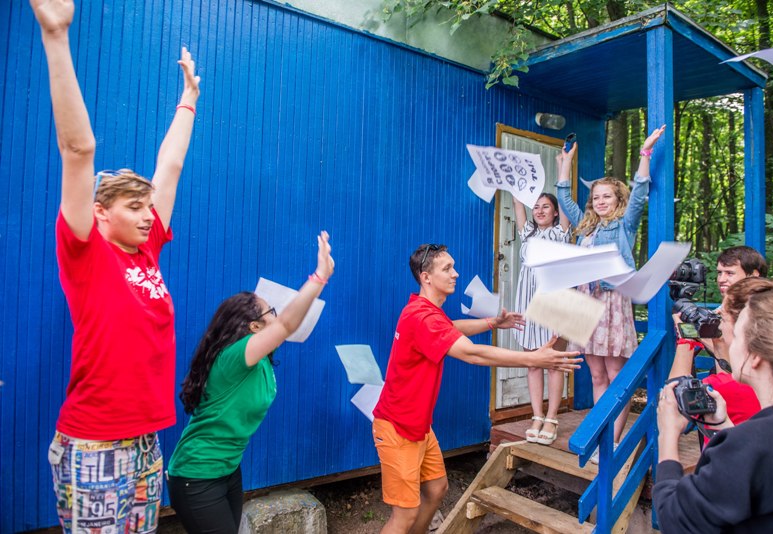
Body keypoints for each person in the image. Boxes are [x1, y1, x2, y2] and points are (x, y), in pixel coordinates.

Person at [32, 0, 200, 530]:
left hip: (147, 439)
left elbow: (170, 166)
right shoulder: (86, 252)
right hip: (95, 442)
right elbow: (78, 149)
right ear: (101, 213)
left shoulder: (147, 250)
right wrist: (57, 36)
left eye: (150, 207)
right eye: (135, 207)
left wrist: (189, 100)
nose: (149, 215)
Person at [372, 244, 583, 534]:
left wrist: (491, 323)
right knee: (404, 515)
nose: (456, 274)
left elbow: (451, 327)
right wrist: (534, 358)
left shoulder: (424, 311)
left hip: (418, 425)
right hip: (398, 429)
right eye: (447, 268)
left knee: (436, 489)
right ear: (426, 277)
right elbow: (472, 354)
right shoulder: (422, 317)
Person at [167, 232, 334, 533]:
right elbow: (287, 324)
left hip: (229, 470)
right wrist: (319, 277)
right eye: (272, 312)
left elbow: (286, 327)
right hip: (197, 475)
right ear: (254, 327)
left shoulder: (262, 360)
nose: (278, 315)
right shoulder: (235, 356)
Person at [654, 279, 773, 532]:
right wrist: (723, 426)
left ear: (755, 356)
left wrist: (667, 436)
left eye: (737, 335)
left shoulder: (749, 443)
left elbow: (676, 519)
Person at [556, 125, 666, 459]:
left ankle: (613, 443)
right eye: (596, 197)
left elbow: (641, 190)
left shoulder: (624, 225)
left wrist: (646, 151)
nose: (600, 201)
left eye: (607, 196)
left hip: (612, 302)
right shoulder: (586, 225)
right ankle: (602, 435)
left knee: (616, 374)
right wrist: (565, 164)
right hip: (585, 303)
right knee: (597, 374)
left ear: (618, 199)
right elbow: (564, 198)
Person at [668, 276, 773, 443]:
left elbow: (673, 401)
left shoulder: (722, 388)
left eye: (722, 318)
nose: (718, 324)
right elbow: (728, 373)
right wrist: (719, 343)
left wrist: (685, 339)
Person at [512, 190, 570, 445]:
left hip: (554, 305)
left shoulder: (561, 233)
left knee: (554, 363)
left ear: (555, 212)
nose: (540, 210)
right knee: (533, 363)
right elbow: (517, 201)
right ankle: (536, 415)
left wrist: (563, 174)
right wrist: (515, 183)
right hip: (527, 305)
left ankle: (552, 418)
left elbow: (565, 198)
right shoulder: (527, 234)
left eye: (546, 206)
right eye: (536, 206)